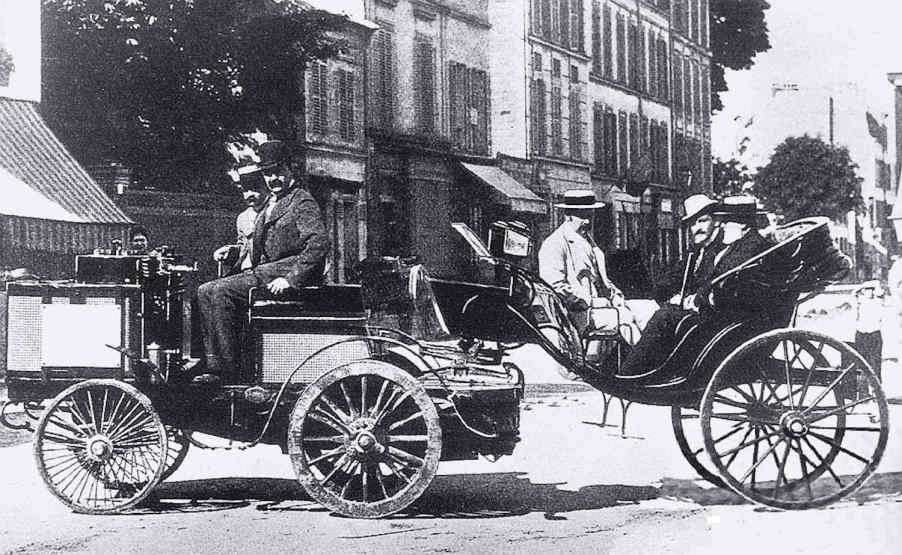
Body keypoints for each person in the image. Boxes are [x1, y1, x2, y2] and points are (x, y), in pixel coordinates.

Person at [194, 139, 329, 384]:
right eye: (268, 173)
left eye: (279, 172)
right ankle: (212, 363)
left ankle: (231, 371)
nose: (273, 178)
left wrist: (291, 279)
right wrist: (234, 253)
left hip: (283, 271)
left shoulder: (301, 200)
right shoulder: (271, 204)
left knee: (222, 291)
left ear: (291, 170)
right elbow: (258, 246)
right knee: (204, 291)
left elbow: (318, 244)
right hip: (264, 270)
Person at [619, 194, 723, 376]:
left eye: (702, 221)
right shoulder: (697, 249)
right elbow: (676, 275)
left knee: (664, 316)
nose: (696, 228)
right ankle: (624, 365)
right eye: (692, 224)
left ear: (716, 221)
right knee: (633, 307)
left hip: (705, 314)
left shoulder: (720, 249)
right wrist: (654, 293)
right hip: (690, 307)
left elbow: (714, 281)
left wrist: (688, 298)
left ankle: (631, 373)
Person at [538, 189, 639, 343]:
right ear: (568, 216)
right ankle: (640, 365)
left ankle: (658, 361)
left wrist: (615, 294)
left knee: (648, 310)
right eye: (582, 216)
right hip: (578, 315)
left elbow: (601, 279)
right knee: (625, 320)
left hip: (602, 307)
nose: (587, 221)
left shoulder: (588, 242)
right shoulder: (555, 244)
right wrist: (591, 301)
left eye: (590, 216)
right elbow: (554, 287)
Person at [214, 162, 269, 274]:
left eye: (255, 189)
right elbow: (244, 247)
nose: (249, 194)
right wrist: (230, 251)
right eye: (245, 190)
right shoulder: (243, 218)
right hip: (246, 272)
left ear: (266, 187)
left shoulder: (273, 211)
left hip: (266, 272)